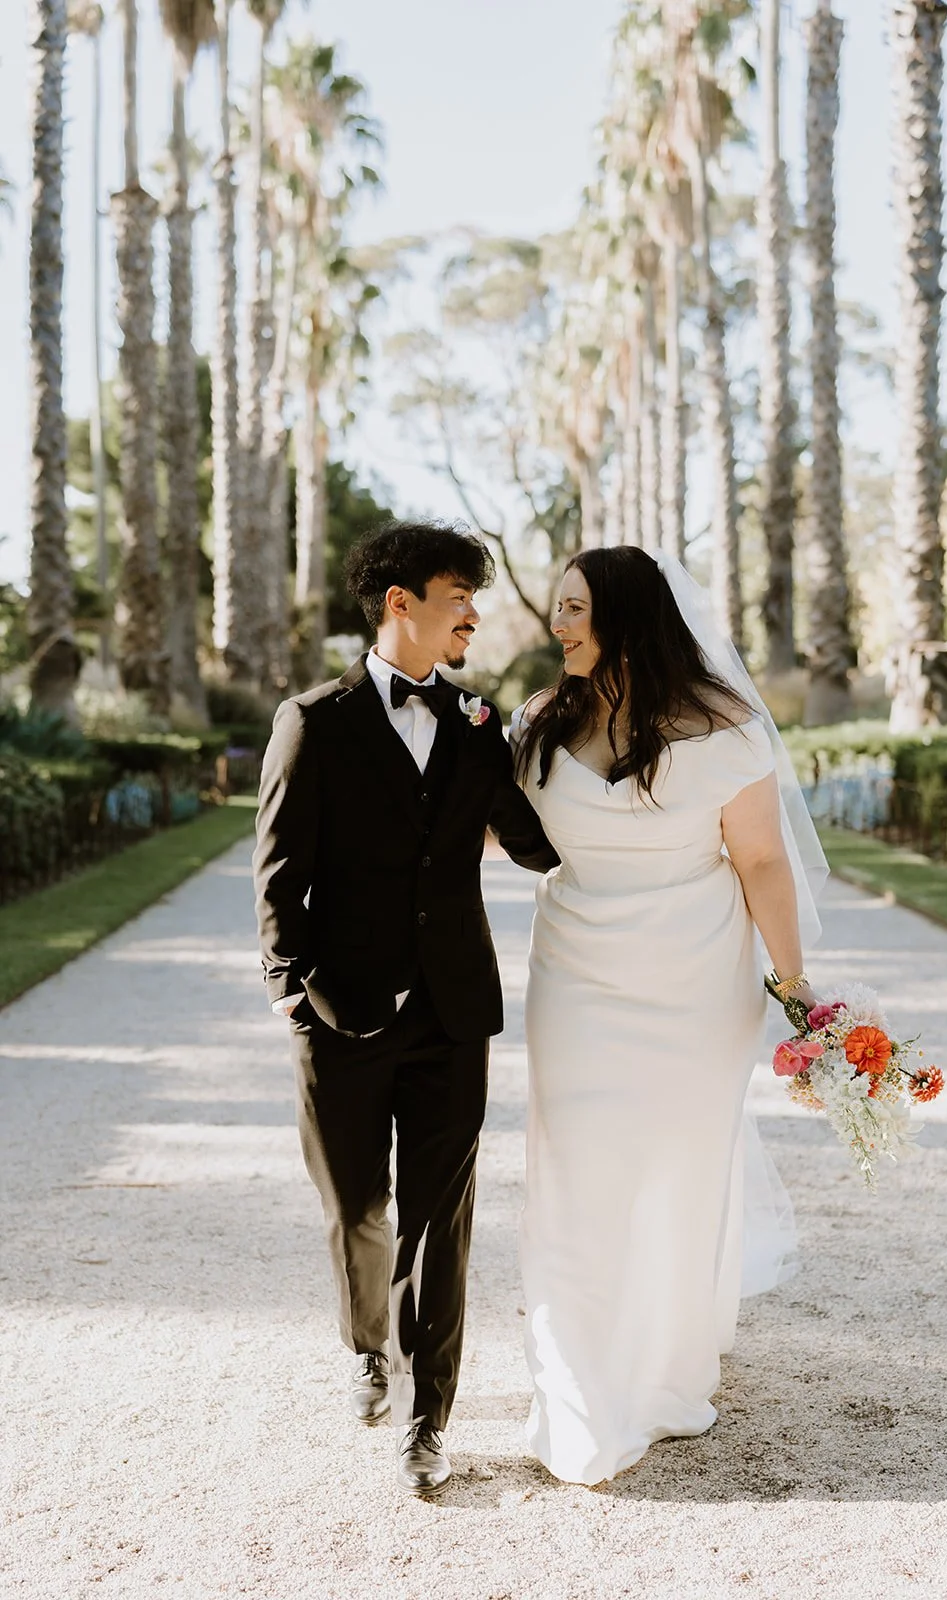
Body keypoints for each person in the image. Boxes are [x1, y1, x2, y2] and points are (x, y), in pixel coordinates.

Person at [253, 520, 558, 1497]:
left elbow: (532, 842)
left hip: (451, 1013)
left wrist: (570, 732)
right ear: (399, 604)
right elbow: (277, 880)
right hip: (339, 1016)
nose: (473, 610)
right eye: (455, 594)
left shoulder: (475, 722)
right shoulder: (312, 719)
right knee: (358, 1208)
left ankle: (429, 1417)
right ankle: (364, 1344)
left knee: (439, 1219)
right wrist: (298, 998)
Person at [511, 545, 826, 1486]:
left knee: (678, 1170)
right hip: (573, 971)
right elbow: (488, 829)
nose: (556, 625)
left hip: (695, 977)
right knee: (573, 1169)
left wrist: (794, 987)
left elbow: (762, 863)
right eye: (557, 609)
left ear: (626, 615)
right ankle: (577, 1385)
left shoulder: (727, 728)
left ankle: (663, 1368)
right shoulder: (532, 721)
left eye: (573, 609)